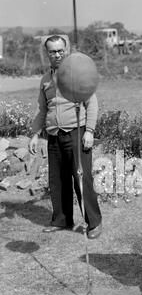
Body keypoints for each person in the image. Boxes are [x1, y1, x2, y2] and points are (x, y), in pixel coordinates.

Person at [29, 35, 102, 239]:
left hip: (76, 133)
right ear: (48, 54)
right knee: (57, 181)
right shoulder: (45, 80)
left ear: (66, 50)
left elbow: (92, 104)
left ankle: (94, 222)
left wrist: (90, 131)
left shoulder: (77, 75)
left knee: (82, 179)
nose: (57, 54)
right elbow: (42, 109)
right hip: (54, 135)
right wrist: (35, 134)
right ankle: (62, 220)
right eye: (52, 52)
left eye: (61, 50)